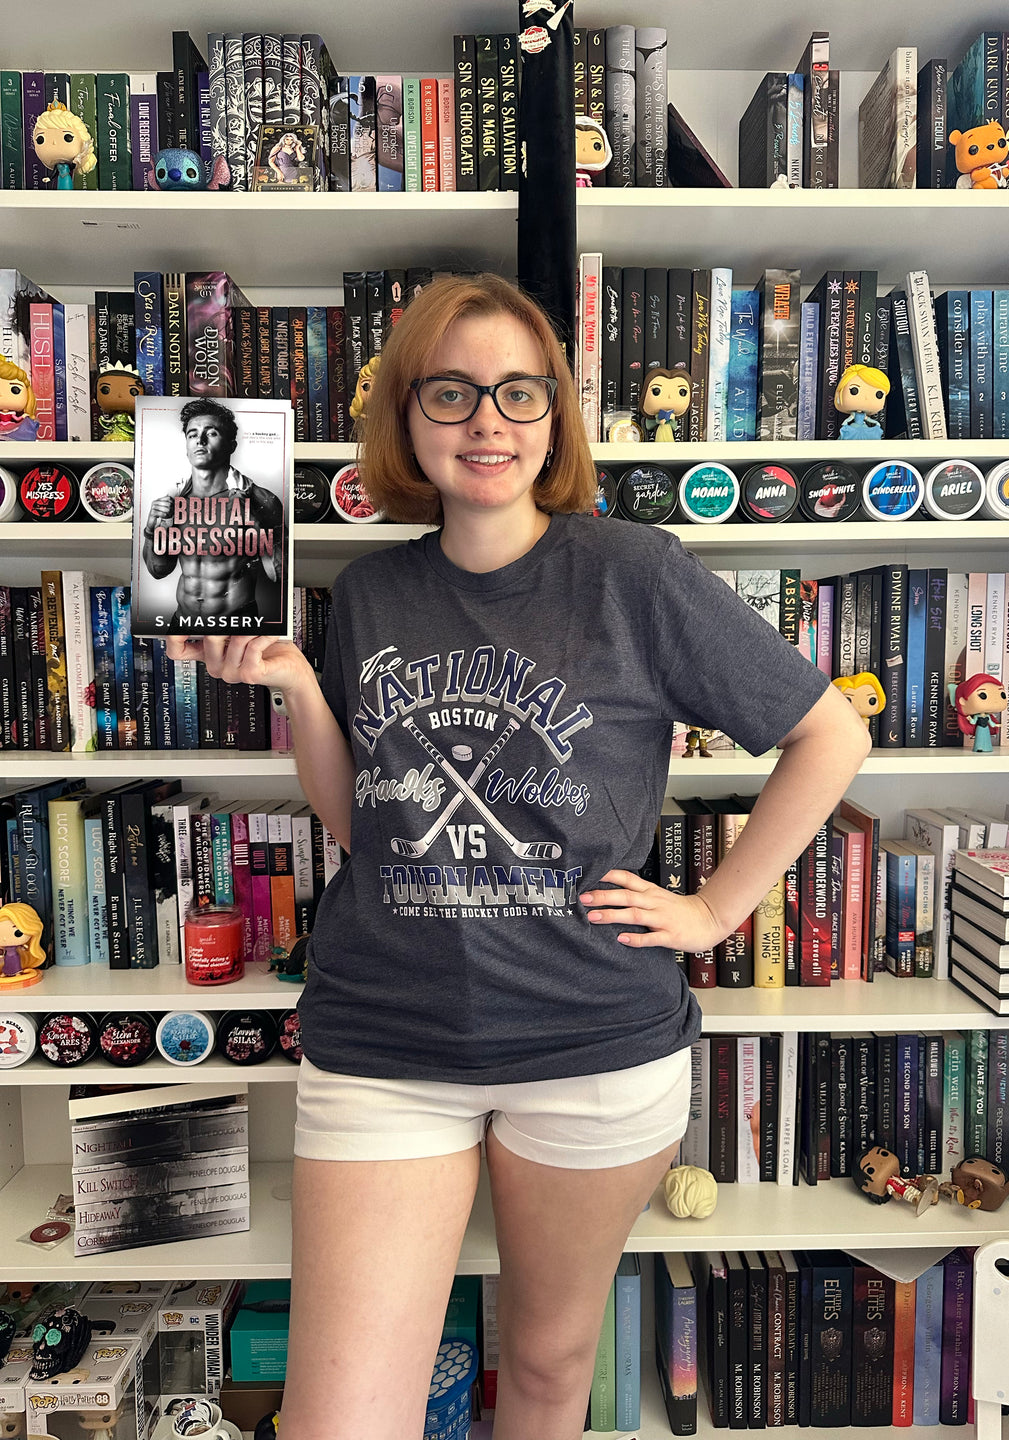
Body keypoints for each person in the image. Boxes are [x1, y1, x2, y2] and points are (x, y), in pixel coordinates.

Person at [166, 272, 870, 1440]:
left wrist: (714, 910)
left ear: (555, 418)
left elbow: (828, 731)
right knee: (339, 1419)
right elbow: (365, 826)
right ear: (404, 416)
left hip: (590, 1042)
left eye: (517, 392)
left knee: (547, 1371)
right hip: (386, 1040)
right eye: (450, 392)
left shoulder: (633, 574)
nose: (486, 420)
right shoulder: (373, 592)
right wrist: (294, 682)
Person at [142, 398, 284, 628]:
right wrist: (152, 530)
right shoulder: (174, 501)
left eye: (212, 433)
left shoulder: (260, 499)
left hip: (236, 621)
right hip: (183, 621)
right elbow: (158, 571)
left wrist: (253, 523)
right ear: (186, 446)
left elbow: (278, 575)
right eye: (192, 434)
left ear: (231, 445)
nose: (200, 440)